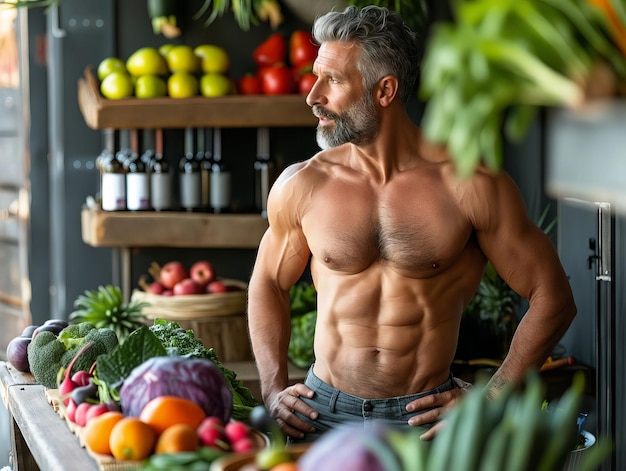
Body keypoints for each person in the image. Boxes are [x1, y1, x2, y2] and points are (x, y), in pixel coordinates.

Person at [247, 5, 576, 443]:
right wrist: (272, 388)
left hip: (426, 423)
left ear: (385, 91)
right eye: (316, 76)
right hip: (318, 414)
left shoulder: (469, 185)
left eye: (334, 80)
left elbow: (553, 297)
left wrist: (492, 397)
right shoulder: (304, 183)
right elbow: (266, 282)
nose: (313, 96)